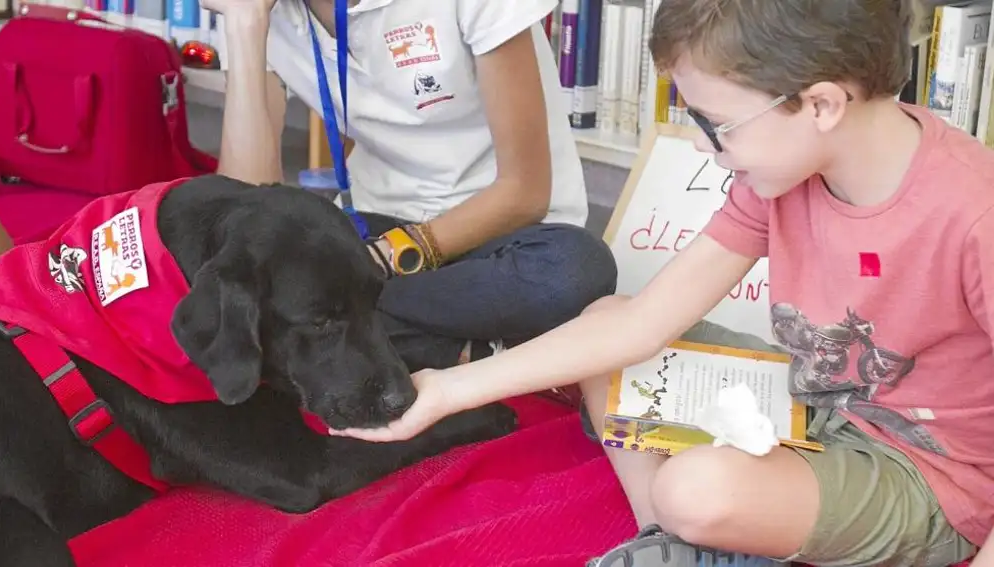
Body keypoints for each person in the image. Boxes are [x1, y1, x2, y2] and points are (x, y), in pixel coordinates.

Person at [330, 1, 994, 565]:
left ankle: (687, 530)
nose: (703, 147)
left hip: (929, 477)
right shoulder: (784, 178)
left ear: (819, 104)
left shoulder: (972, 211)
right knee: (604, 318)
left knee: (697, 491)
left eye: (716, 125)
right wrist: (444, 389)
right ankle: (682, 538)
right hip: (814, 406)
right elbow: (640, 322)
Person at [203, 0, 618, 372]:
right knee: (251, 273)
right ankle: (471, 351)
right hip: (375, 223)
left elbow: (524, 194)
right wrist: (244, 25)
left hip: (508, 236)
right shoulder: (266, 11)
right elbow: (244, 205)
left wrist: (380, 261)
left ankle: (345, 332)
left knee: (576, 271)